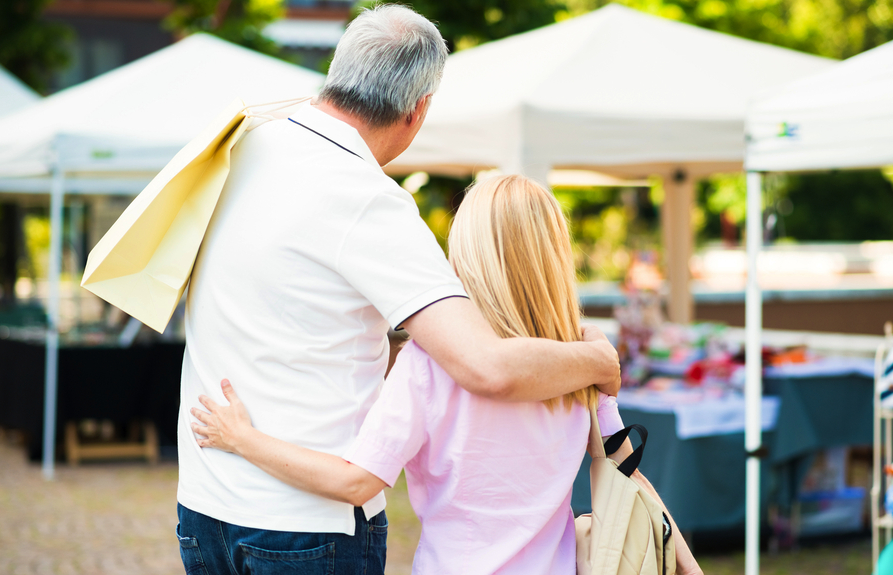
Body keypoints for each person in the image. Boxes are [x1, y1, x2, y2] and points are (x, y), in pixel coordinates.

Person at [176, 5, 620, 574]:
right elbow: (486, 366)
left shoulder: (240, 151)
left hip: (205, 501)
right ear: (419, 110)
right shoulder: (366, 199)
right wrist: (596, 355)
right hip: (307, 525)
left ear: (338, 69)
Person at [191, 175, 703, 575]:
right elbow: (629, 477)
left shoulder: (428, 365)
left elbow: (355, 482)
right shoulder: (577, 361)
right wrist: (689, 566)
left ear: (470, 255)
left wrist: (243, 439)